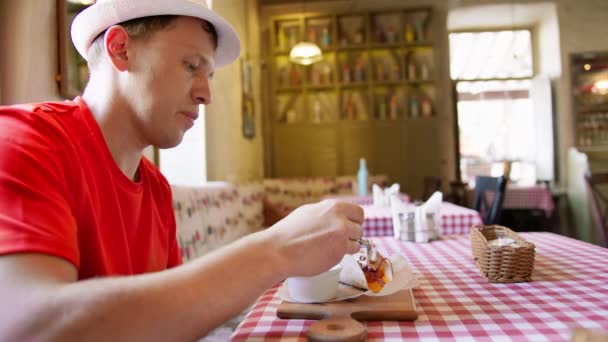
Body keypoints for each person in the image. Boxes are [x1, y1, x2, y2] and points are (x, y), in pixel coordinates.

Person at [0, 0, 364, 340]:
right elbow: (27, 325)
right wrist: (278, 249)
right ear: (120, 49)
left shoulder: (156, 187)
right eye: (191, 66)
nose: (206, 94)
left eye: (209, 74)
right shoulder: (26, 141)